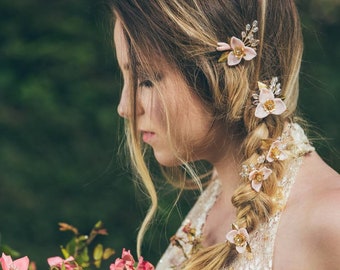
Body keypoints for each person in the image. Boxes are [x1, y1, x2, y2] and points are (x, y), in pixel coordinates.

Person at [111, 0, 340, 269]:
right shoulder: (223, 193)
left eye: (147, 80)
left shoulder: (330, 221)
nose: (124, 107)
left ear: (221, 76)